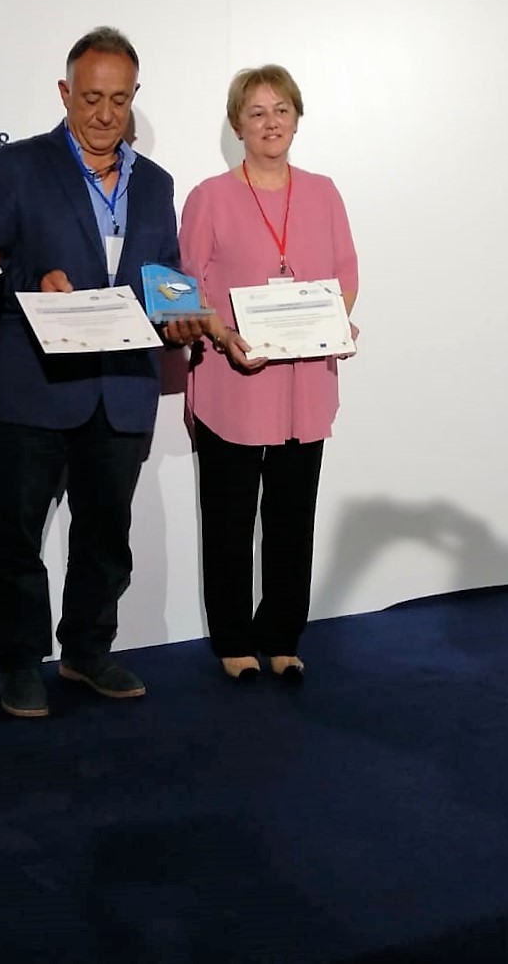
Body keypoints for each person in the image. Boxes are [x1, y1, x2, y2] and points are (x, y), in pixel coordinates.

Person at [0, 27, 205, 718]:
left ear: (135, 97)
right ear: (65, 92)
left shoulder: (155, 183)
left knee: (105, 535)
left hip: (122, 387)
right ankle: (18, 662)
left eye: (119, 100)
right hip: (31, 385)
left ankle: (88, 650)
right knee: (15, 535)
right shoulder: (16, 166)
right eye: (91, 97)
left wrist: (181, 312)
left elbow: (163, 271)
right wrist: (32, 280)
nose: (104, 114)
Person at [179, 64, 359, 684]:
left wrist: (332, 323)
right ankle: (233, 638)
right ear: (238, 125)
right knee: (228, 520)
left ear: (297, 118)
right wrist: (221, 335)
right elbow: (188, 284)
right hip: (234, 381)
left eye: (281, 109)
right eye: (256, 112)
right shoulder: (209, 196)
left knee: (292, 520)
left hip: (305, 383)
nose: (271, 122)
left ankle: (283, 635)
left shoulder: (324, 192)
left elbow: (346, 274)